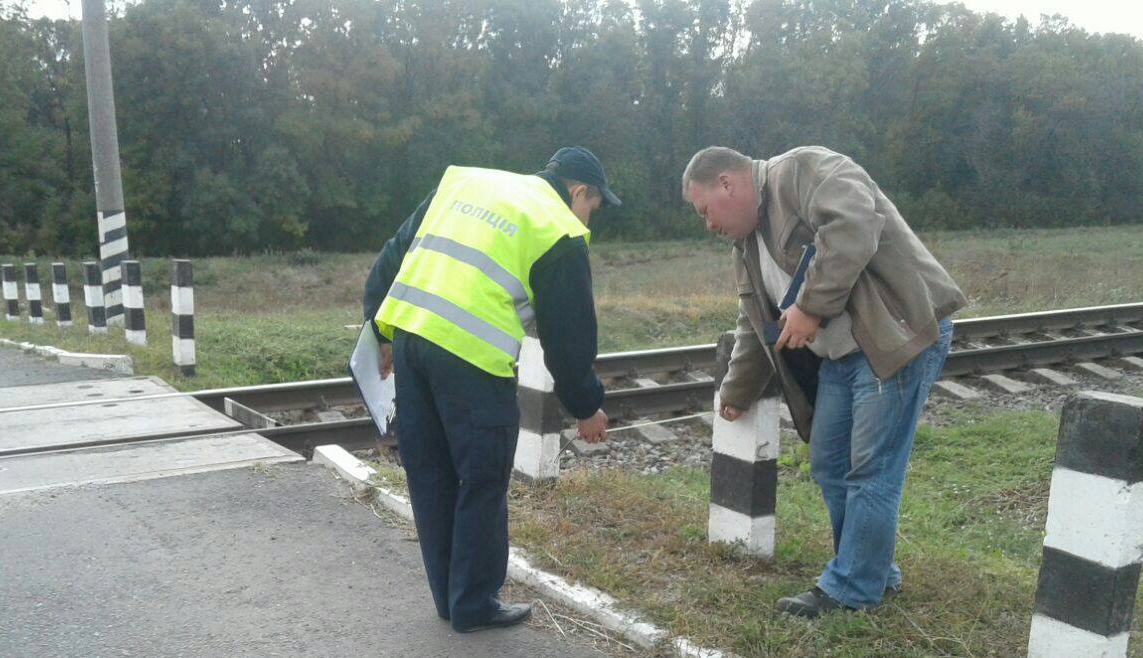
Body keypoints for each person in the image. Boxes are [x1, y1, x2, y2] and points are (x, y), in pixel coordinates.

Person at [681, 145, 967, 618]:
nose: (707, 225)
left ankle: (850, 589)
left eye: (705, 210)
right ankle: (872, 571)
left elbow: (855, 224)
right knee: (830, 462)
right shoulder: (747, 245)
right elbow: (757, 323)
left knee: (871, 470)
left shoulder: (803, 170)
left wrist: (811, 306)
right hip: (841, 355)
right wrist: (735, 392)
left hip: (893, 337)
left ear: (727, 184)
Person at [362, 148, 619, 632]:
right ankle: (474, 603)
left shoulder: (465, 182)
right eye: (593, 207)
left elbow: (394, 252)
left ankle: (449, 598)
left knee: (430, 474)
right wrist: (586, 407)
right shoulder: (556, 228)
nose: (589, 220)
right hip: (472, 357)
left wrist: (379, 329)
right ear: (578, 190)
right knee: (481, 477)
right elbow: (570, 337)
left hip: (414, 342)